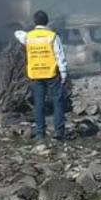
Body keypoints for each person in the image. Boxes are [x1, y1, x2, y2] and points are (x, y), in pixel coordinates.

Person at [14, 10, 70, 140]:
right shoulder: (52, 36)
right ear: (47, 21)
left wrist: (28, 29)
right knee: (57, 102)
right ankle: (59, 132)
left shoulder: (28, 37)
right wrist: (63, 73)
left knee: (38, 104)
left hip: (35, 74)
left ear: (35, 22)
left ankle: (40, 133)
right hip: (51, 74)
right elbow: (59, 55)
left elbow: (17, 33)